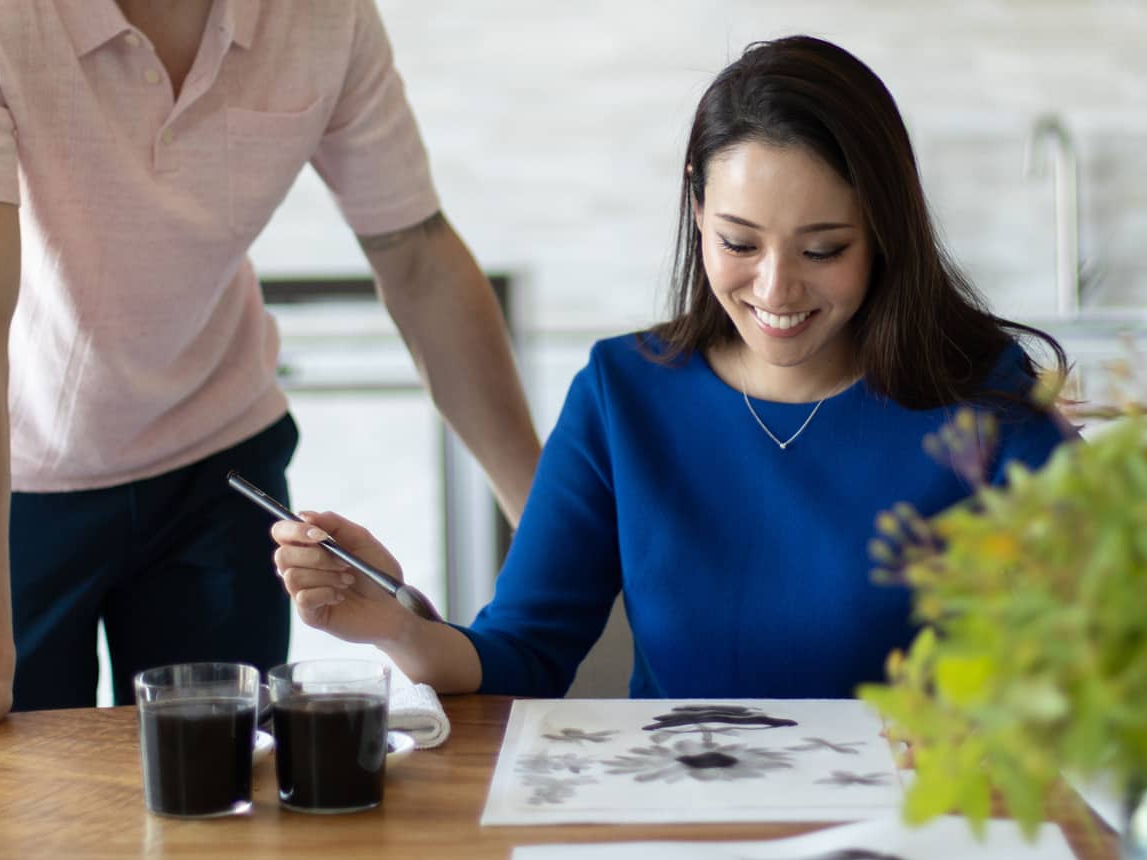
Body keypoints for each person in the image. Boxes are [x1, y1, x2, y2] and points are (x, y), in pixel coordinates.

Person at [0, 0, 541, 786]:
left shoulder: (324, 16)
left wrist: (553, 531)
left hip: (216, 467)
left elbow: (418, 258)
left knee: (221, 797)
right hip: (2, 479)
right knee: (5, 804)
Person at [269, 35, 1075, 700]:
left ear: (884, 231)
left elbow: (1105, 642)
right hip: (679, 821)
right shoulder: (625, 394)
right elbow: (520, 653)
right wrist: (397, 627)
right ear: (695, 207)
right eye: (739, 242)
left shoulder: (986, 403)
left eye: (823, 249)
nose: (776, 289)